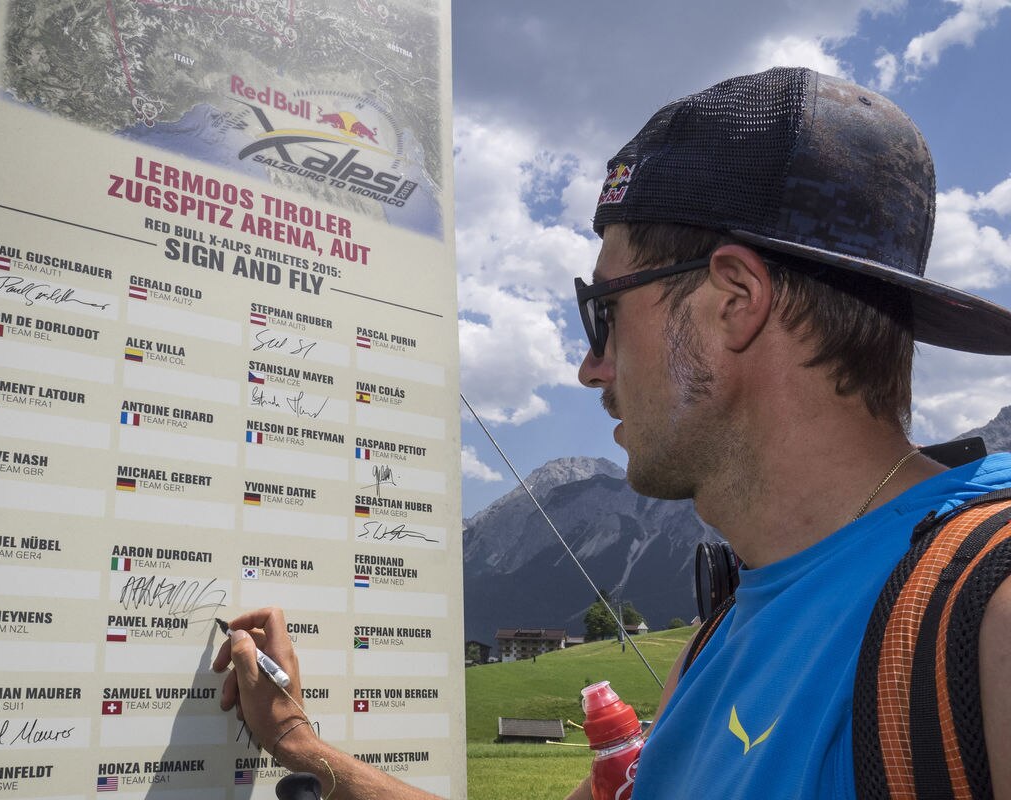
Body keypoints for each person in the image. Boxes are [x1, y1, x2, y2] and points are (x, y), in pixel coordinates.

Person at [216, 67, 1011, 799]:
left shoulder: (987, 615)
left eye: (604, 311)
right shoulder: (720, 642)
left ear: (735, 300)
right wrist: (299, 742)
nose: (589, 369)